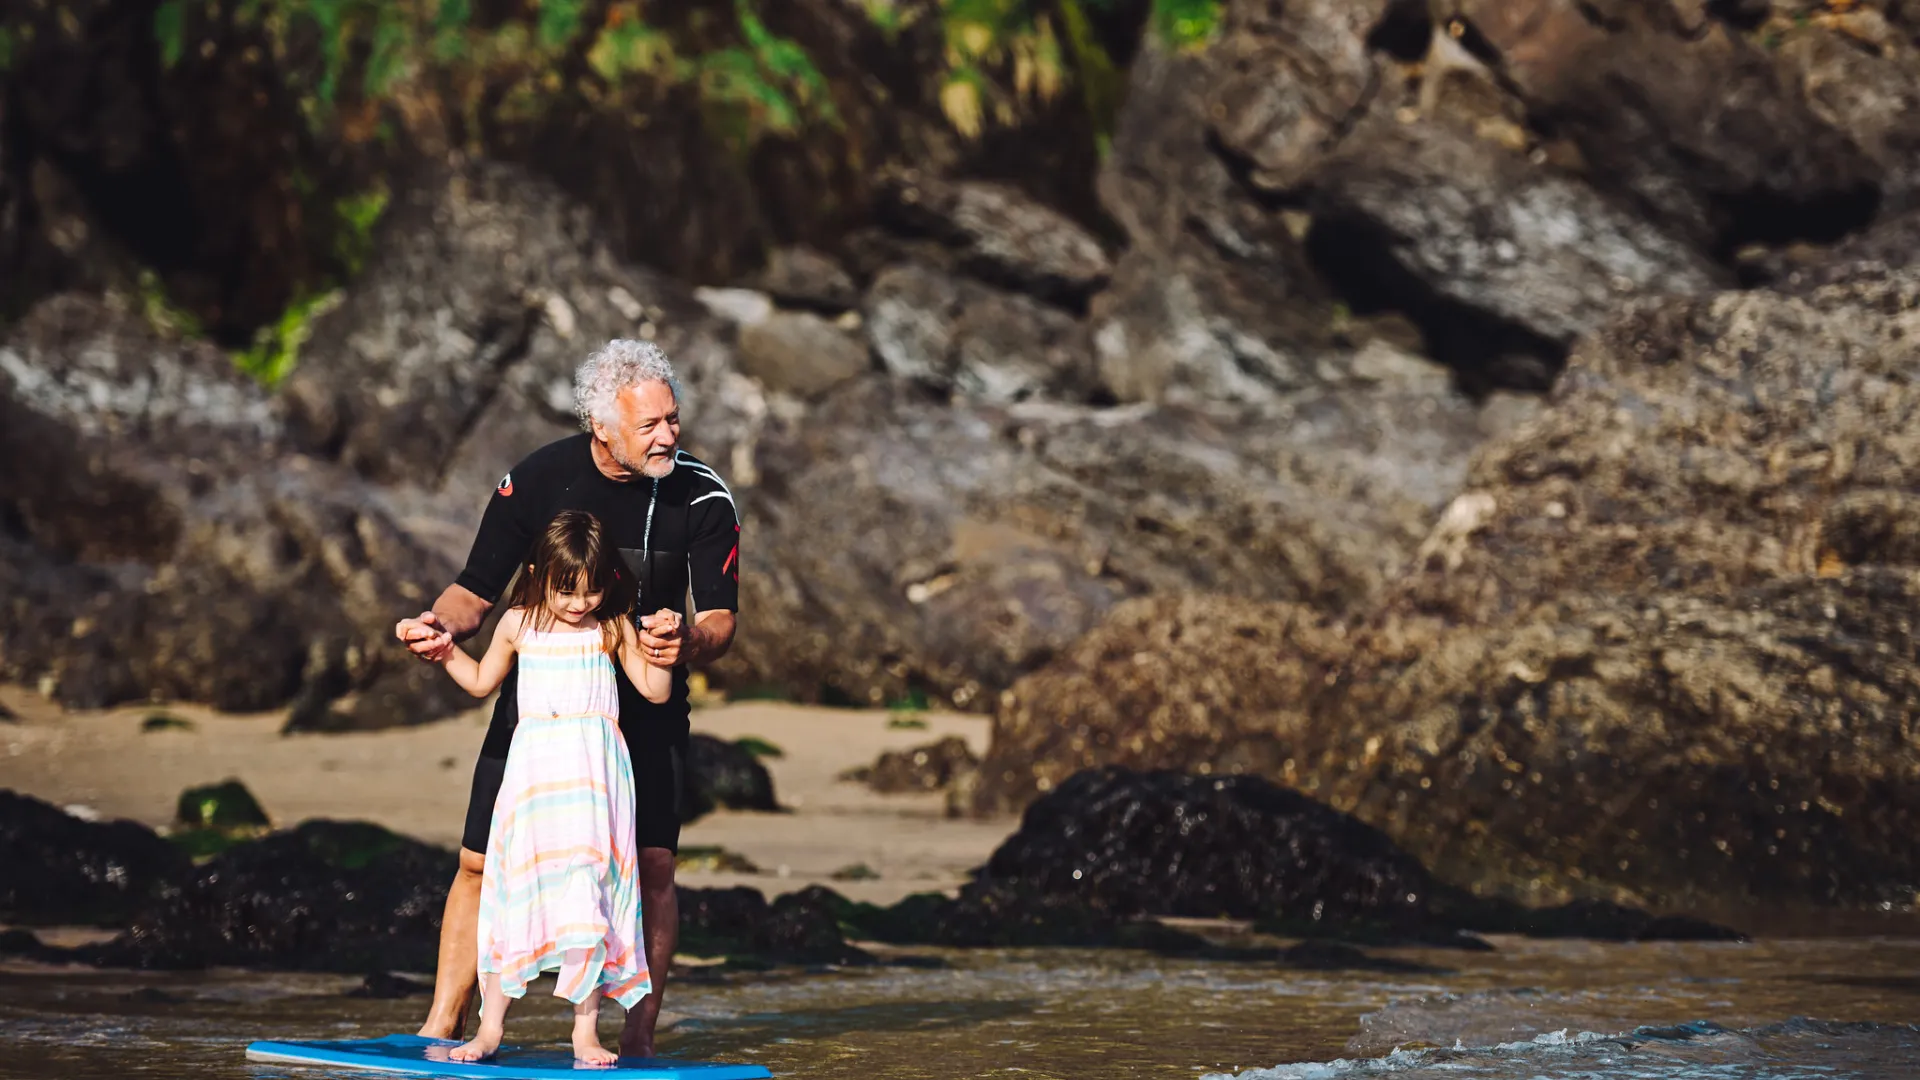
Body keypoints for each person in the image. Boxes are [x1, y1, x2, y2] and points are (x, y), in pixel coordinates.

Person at [394, 339, 740, 1056]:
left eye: (673, 418)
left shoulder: (701, 495)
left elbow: (720, 618)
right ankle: (441, 1024)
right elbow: (475, 591)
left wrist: (686, 644)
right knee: (478, 862)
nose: (670, 435)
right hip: (540, 710)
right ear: (601, 425)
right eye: (651, 425)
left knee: (652, 868)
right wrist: (436, 626)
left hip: (642, 712)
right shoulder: (540, 477)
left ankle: (637, 1035)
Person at [431, 509, 676, 1064]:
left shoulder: (611, 626)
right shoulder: (517, 624)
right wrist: (445, 651)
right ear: (539, 572)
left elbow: (655, 692)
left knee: (588, 893)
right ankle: (490, 1029)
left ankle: (583, 1033)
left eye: (591, 591)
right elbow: (479, 682)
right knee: (514, 887)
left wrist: (664, 645)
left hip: (595, 782)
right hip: (535, 778)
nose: (578, 603)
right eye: (567, 591)